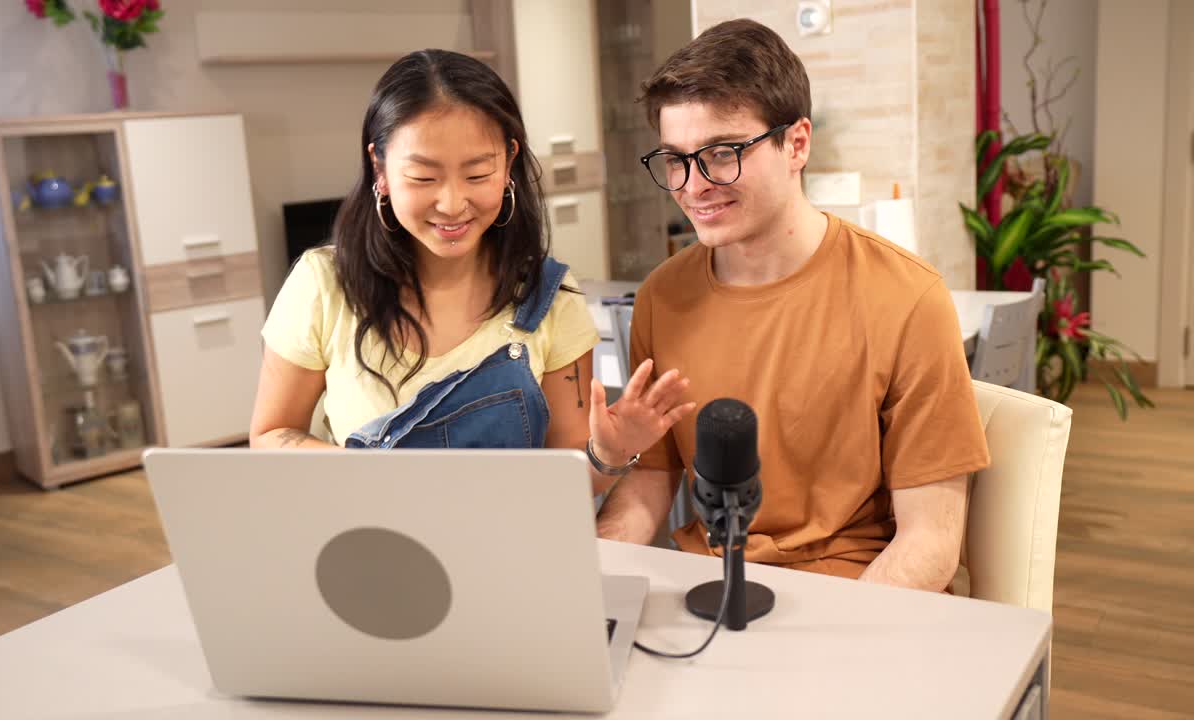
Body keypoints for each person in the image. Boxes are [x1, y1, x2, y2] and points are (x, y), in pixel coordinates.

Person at [595, 20, 990, 591]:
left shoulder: (907, 297)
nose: (694, 185)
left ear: (797, 144)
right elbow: (648, 488)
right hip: (710, 589)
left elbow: (929, 541)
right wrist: (585, 589)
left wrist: (828, 654)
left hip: (855, 593)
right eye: (675, 159)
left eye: (723, 152)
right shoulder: (662, 297)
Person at [249, 49, 694, 495]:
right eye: (424, 178)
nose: (452, 203)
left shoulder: (550, 298)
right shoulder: (323, 283)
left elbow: (569, 477)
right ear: (379, 169)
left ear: (508, 163)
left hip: (505, 550)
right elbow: (270, 435)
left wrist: (610, 454)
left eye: (477, 174)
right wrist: (371, 477)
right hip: (373, 547)